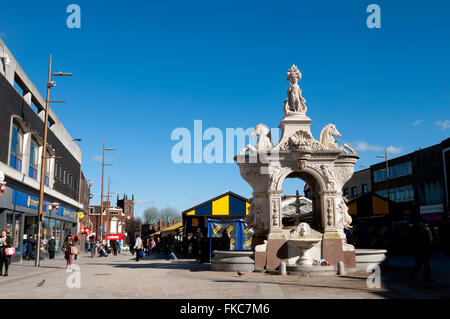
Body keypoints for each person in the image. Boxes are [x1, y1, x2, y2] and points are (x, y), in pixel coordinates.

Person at [410, 218, 434, 282]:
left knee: (422, 264)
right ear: (421, 223)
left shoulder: (423, 229)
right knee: (420, 264)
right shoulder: (420, 229)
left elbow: (430, 239)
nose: (426, 224)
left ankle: (424, 277)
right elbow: (426, 240)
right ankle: (414, 276)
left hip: (421, 250)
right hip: (421, 250)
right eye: (425, 223)